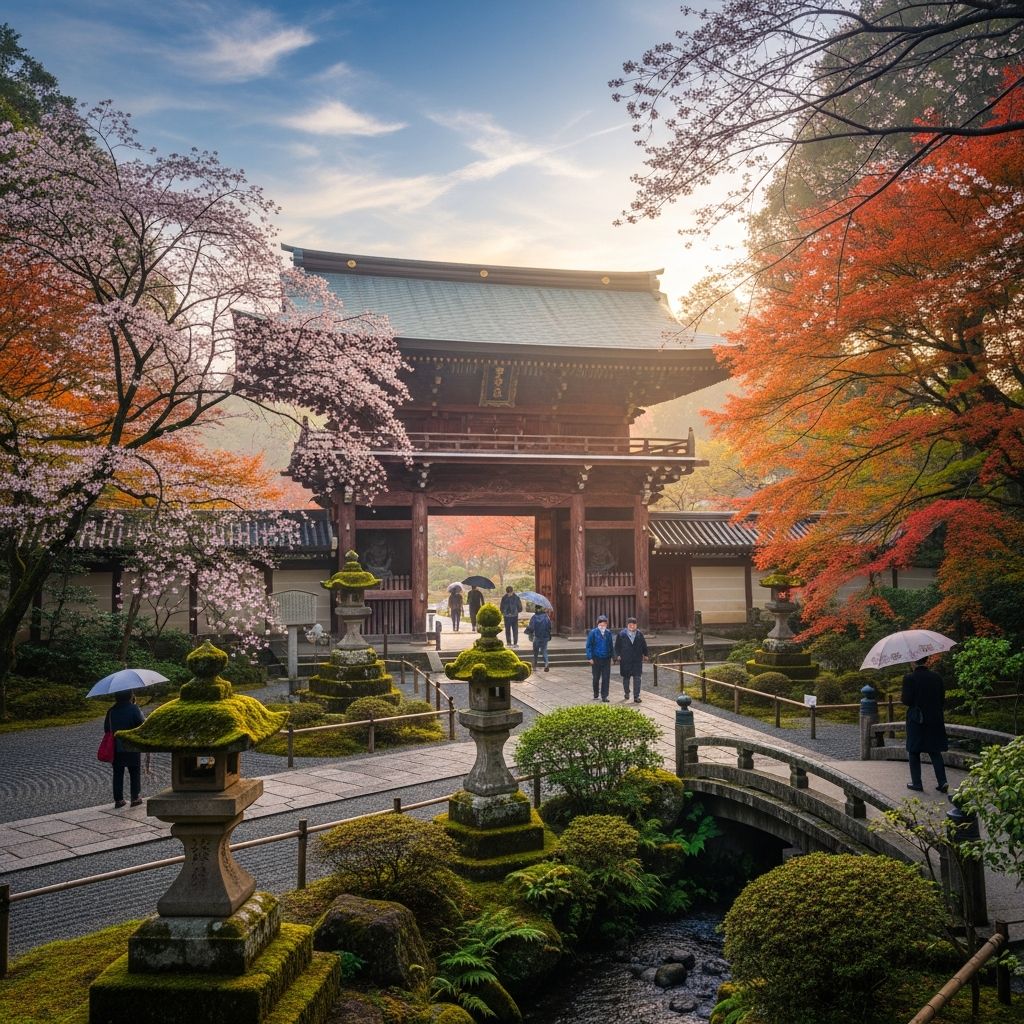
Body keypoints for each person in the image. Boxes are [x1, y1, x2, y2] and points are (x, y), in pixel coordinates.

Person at [901, 657, 949, 793]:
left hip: (917, 719)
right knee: (935, 751)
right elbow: (941, 698)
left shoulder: (909, 678)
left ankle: (917, 783)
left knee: (914, 751)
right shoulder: (936, 677)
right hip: (935, 718)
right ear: (927, 660)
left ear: (912, 662)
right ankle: (942, 782)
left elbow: (906, 700)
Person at [105, 690, 145, 808]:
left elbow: (107, 729)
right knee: (134, 771)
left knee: (117, 773)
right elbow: (141, 724)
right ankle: (135, 797)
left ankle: (119, 799)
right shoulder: (133, 708)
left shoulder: (111, 711)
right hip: (131, 745)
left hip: (116, 747)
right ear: (129, 696)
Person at [615, 616, 649, 703]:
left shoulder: (639, 634)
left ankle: (636, 696)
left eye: (634, 625)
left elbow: (644, 645)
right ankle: (627, 692)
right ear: (627, 625)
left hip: (637, 660)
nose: (632, 626)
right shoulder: (622, 634)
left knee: (637, 678)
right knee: (626, 678)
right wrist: (617, 655)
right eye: (630, 625)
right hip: (625, 659)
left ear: (636, 625)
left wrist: (646, 654)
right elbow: (617, 646)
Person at [586, 613, 615, 701]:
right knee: (596, 678)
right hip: (596, 658)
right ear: (597, 624)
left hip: (606, 658)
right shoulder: (593, 633)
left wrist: (613, 657)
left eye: (604, 624)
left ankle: (604, 696)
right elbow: (589, 646)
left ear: (606, 624)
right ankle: (596, 694)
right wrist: (590, 657)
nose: (602, 626)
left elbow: (611, 646)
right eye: (600, 624)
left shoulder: (608, 633)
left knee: (606, 677)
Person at [526, 606, 553, 672]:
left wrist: (529, 633)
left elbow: (531, 627)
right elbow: (549, 626)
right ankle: (546, 664)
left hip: (537, 636)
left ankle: (534, 667)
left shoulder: (534, 617)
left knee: (536, 652)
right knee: (544, 651)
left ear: (536, 609)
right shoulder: (546, 617)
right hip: (545, 636)